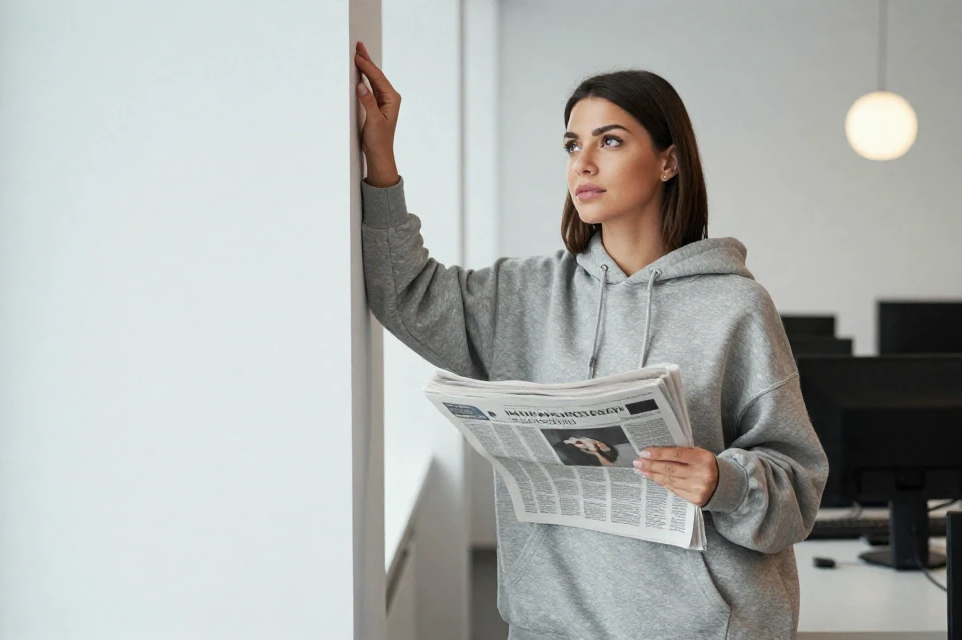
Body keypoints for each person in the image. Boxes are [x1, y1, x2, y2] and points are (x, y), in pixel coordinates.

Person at [354, 41, 828, 640]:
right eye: (572, 145)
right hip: (553, 625)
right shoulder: (524, 294)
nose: (583, 163)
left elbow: (799, 491)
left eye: (610, 141)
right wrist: (381, 159)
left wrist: (721, 480)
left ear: (668, 162)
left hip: (706, 628)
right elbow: (404, 295)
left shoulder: (735, 307)